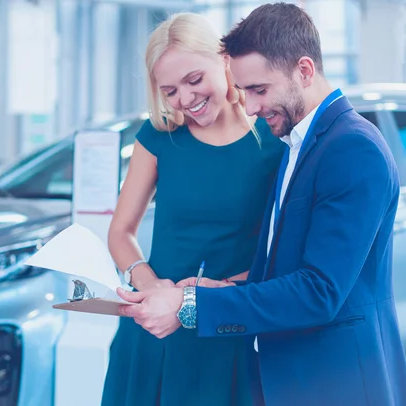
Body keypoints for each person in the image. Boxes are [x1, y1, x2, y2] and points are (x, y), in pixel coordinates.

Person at [118, 3, 406, 406]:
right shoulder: (297, 144)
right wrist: (223, 286)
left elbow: (318, 291)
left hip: (335, 379)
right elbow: (282, 264)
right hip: (288, 373)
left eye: (259, 90)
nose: (250, 106)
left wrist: (190, 303)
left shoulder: (353, 148)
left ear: (304, 71)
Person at [102, 12, 284, 406]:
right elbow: (120, 232)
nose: (185, 99)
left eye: (194, 80)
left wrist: (197, 301)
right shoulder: (159, 136)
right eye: (169, 91)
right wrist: (152, 290)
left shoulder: (273, 142)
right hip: (152, 335)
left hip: (228, 334)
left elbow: (280, 255)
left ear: (223, 59)